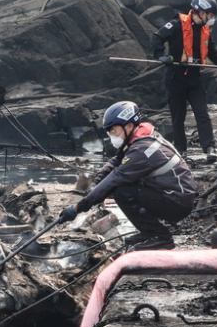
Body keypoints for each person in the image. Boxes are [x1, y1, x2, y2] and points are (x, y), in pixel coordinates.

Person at [58, 101, 196, 251]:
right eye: (109, 132)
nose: (112, 136)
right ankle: (147, 232)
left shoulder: (142, 150)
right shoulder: (139, 138)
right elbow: (116, 161)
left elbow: (115, 178)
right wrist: (97, 180)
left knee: (123, 192)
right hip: (170, 194)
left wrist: (78, 207)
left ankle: (161, 238)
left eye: (114, 131)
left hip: (177, 202)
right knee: (125, 189)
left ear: (129, 126)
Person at [151, 0, 217, 162]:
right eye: (210, 15)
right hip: (175, 77)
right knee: (178, 116)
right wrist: (161, 56)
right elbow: (157, 38)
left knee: (202, 113)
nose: (212, 19)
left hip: (194, 79)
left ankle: (209, 147)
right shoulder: (176, 25)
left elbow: (215, 54)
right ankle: (181, 151)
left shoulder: (205, 32)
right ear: (200, 13)